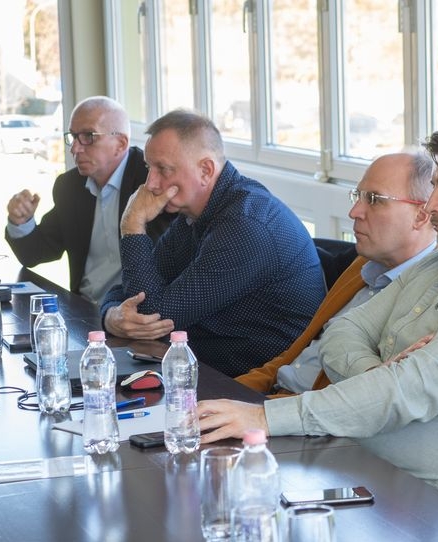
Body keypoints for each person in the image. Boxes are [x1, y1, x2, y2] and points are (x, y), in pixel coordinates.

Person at [198, 118, 438, 511]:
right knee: (200, 482)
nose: (432, 204)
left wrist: (266, 418)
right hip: (348, 468)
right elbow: (342, 331)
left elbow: (403, 394)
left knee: (217, 508)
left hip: (412, 509)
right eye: (434, 186)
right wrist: (379, 374)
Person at [100, 109, 325, 378]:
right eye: (150, 168)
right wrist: (112, 316)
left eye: (164, 169)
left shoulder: (246, 224)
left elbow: (153, 316)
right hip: (203, 367)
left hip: (257, 385)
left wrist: (133, 225)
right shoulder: (195, 215)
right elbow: (133, 293)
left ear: (206, 170)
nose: (151, 184)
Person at [235, 151, 437, 395]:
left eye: (374, 199)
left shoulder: (429, 299)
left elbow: (367, 400)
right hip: (271, 397)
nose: (354, 212)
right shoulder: (363, 265)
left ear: (421, 216)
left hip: (304, 413)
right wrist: (233, 391)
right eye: (358, 196)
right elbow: (295, 356)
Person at [5, 96, 172, 303]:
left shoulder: (152, 181)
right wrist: (21, 222)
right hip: (84, 309)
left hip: (139, 310)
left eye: (88, 136)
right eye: (73, 137)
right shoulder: (70, 186)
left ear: (120, 144)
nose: (75, 148)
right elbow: (36, 253)